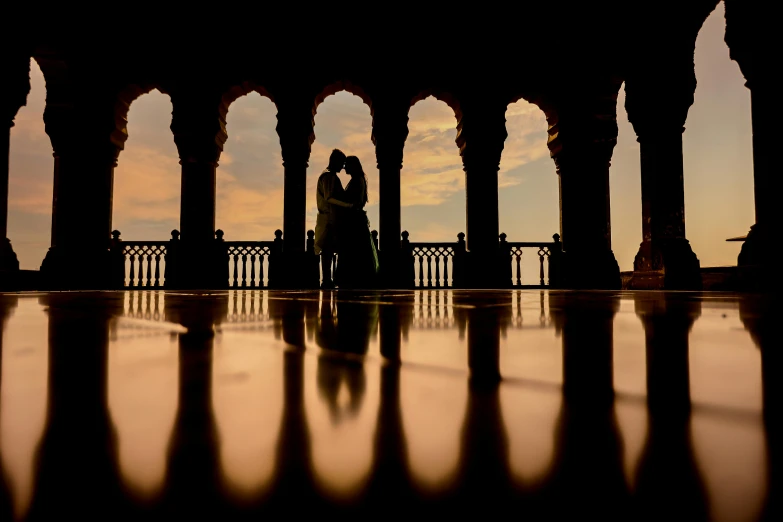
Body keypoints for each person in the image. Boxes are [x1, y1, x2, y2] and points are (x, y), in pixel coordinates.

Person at [333, 155, 380, 289]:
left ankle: (352, 278)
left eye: (346, 165)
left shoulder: (356, 181)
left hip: (353, 221)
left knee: (352, 250)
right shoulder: (359, 180)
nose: (344, 167)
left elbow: (352, 201)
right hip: (357, 220)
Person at [314, 149, 352, 289]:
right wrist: (348, 205)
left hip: (328, 218)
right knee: (329, 250)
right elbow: (329, 198)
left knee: (328, 250)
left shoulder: (326, 176)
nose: (343, 167)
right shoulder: (329, 177)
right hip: (330, 219)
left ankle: (328, 279)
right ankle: (327, 280)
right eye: (341, 163)